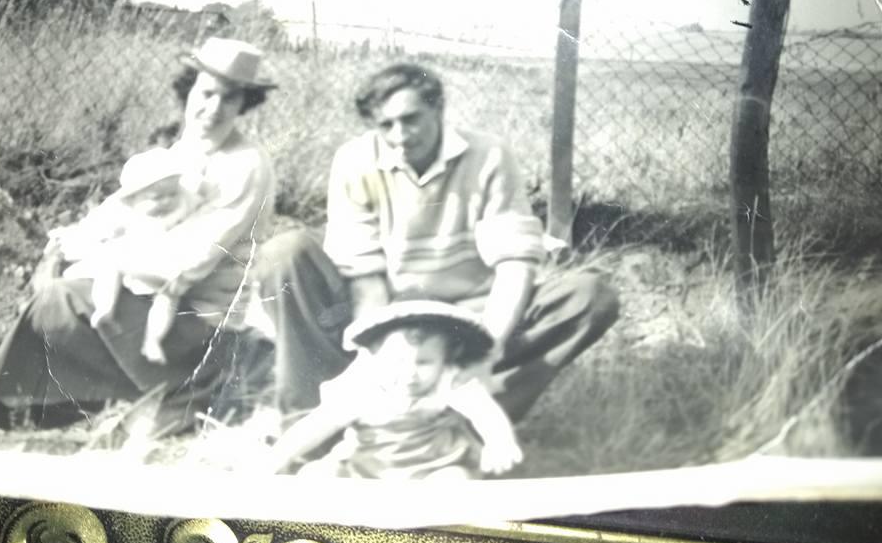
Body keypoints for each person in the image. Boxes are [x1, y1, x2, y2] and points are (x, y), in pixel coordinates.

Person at [255, 62, 619, 426]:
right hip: (387, 311)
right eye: (386, 125)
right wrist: (383, 356)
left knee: (588, 296)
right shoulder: (355, 160)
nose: (400, 136)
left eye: (410, 119)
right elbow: (366, 280)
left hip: (469, 317)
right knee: (284, 254)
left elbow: (515, 267)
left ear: (438, 109)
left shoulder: (489, 156)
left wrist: (486, 349)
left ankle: (467, 420)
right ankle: (315, 419)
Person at [0, 37, 278, 436]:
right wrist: (74, 242)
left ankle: (177, 390)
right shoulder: (185, 148)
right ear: (188, 89)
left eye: (229, 99)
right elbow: (125, 207)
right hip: (152, 298)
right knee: (61, 274)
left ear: (245, 105)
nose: (213, 109)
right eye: (206, 93)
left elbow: (186, 261)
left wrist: (96, 259)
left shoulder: (247, 166)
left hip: (198, 319)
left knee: (63, 297)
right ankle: (62, 397)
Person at [265, 301, 523, 479]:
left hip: (434, 467)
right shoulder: (363, 387)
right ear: (374, 356)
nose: (409, 372)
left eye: (424, 362)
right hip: (366, 468)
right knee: (318, 475)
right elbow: (319, 424)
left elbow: (484, 411)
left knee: (454, 482)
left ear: (446, 359)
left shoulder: (448, 381)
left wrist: (499, 441)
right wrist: (278, 457)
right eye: (397, 361)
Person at [52, 148, 198, 364]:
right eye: (157, 198)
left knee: (168, 298)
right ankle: (105, 308)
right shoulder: (126, 211)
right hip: (130, 260)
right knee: (109, 265)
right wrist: (76, 236)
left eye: (172, 193)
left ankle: (153, 340)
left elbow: (196, 210)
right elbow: (99, 226)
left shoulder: (183, 204)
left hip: (160, 269)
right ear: (133, 199)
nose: (167, 201)